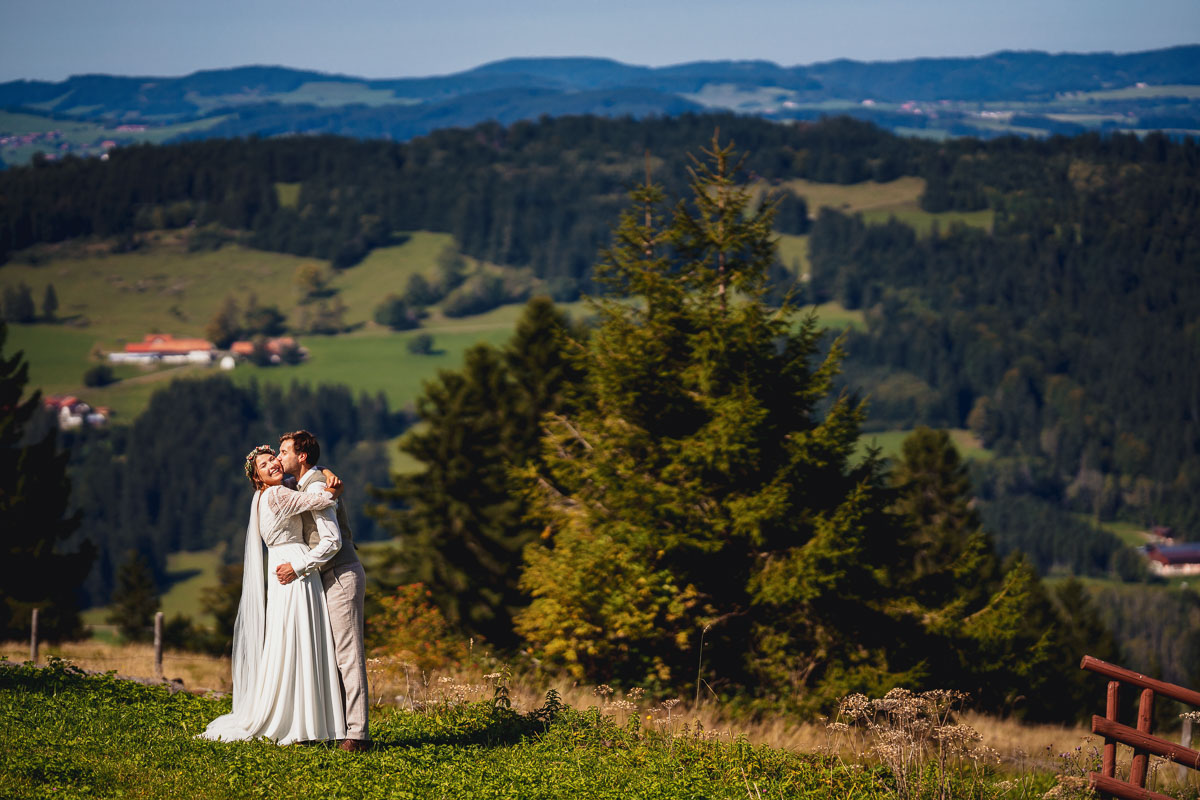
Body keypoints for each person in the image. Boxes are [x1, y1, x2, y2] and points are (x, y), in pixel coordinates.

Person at [200, 445, 346, 745]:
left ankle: (300, 716)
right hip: (294, 566)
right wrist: (335, 487)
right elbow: (320, 499)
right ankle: (305, 721)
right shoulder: (277, 494)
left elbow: (307, 476)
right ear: (257, 478)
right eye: (264, 466)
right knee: (301, 636)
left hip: (282, 565)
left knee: (290, 637)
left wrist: (326, 471)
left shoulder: (266, 495)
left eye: (273, 459)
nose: (272, 465)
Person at [275, 430, 370, 752]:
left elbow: (333, 542)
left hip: (341, 574)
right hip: (325, 576)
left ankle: (358, 735)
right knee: (328, 655)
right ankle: (334, 726)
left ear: (301, 456)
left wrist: (297, 567)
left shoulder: (317, 486)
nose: (280, 457)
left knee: (348, 656)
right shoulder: (305, 482)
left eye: (285, 451)